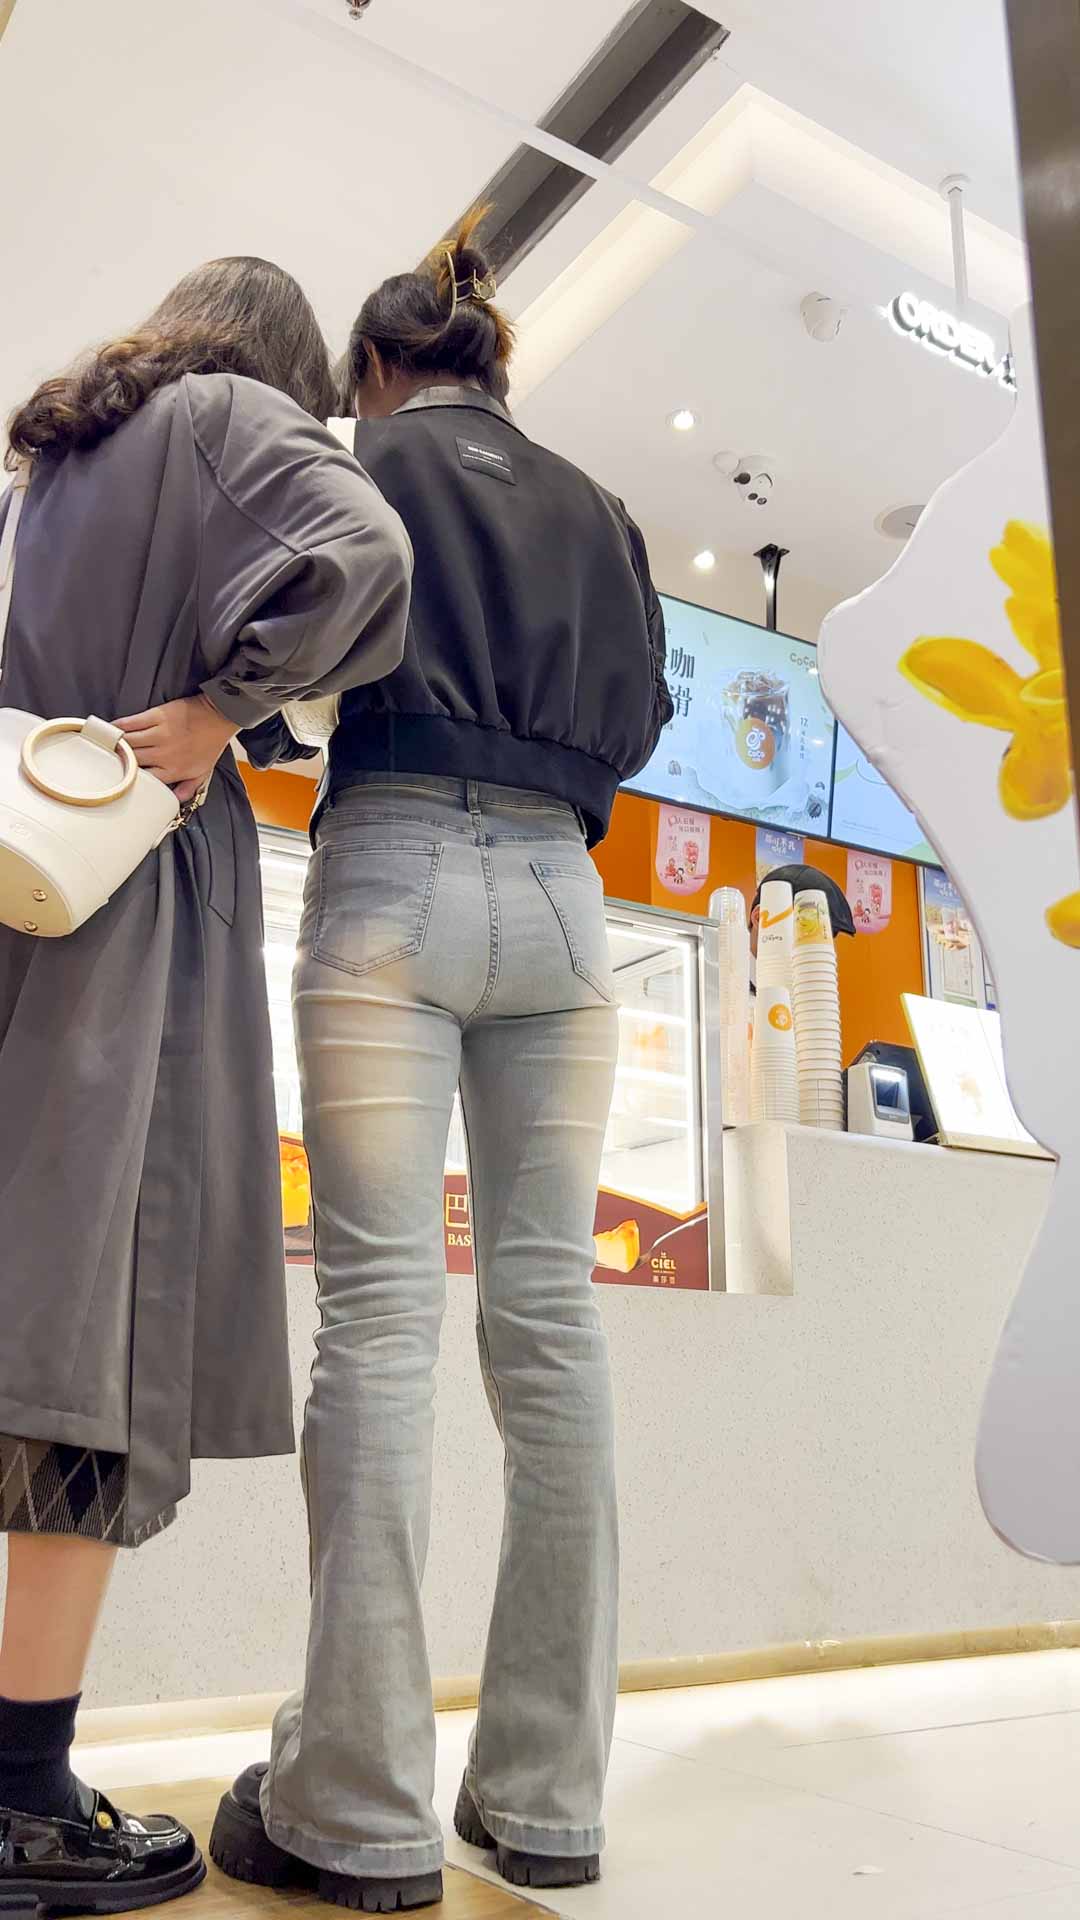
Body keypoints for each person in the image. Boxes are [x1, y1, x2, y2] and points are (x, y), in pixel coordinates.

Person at [211, 215, 672, 1912]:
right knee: (551, 1332)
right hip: (565, 898)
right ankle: (545, 1800)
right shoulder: (603, 509)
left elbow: (272, 652)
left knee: (383, 1326)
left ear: (378, 372)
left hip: (392, 868)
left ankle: (360, 1807)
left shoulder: (364, 464)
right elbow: (645, 717)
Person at [0, 258, 411, 1915]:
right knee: (91, 1342)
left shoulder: (62, 454)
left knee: (25, 1306)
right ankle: (21, 1800)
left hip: (28, 881)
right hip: (130, 916)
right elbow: (367, 546)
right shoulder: (237, 418)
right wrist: (225, 709)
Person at [749, 862, 856, 992]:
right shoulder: (728, 978)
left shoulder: (809, 991)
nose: (812, 949)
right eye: (805, 930)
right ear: (759, 918)